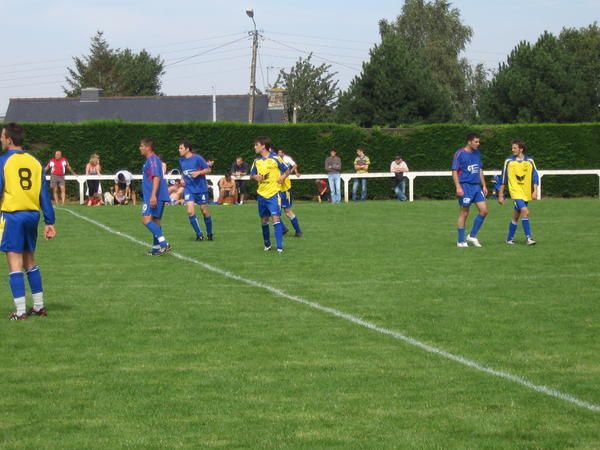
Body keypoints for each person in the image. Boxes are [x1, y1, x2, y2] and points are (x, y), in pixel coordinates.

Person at [0, 123, 56, 320]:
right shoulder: (35, 162)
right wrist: (50, 221)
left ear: (9, 139)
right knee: (30, 260)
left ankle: (21, 311)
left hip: (12, 216)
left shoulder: (3, 161)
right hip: (32, 216)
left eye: (2, 136)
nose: (0, 139)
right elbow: (44, 194)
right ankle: (39, 307)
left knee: (14, 263)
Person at [250, 137, 290, 253]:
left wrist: (282, 177)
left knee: (275, 218)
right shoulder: (256, 161)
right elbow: (251, 175)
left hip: (274, 194)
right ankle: (267, 244)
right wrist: (255, 177)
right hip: (261, 194)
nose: (255, 147)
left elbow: (287, 170)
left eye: (256, 145)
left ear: (263, 146)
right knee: (264, 220)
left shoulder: (275, 158)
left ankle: (279, 247)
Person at [498, 140, 539, 246]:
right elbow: (503, 178)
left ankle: (509, 239)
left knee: (516, 216)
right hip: (515, 192)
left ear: (521, 149)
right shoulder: (508, 161)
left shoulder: (530, 161)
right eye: (512, 148)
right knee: (525, 211)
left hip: (526, 193)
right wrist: (500, 194)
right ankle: (529, 238)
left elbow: (535, 175)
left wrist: (535, 190)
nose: (512, 150)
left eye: (515, 148)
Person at [452, 133, 488, 248]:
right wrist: (458, 187)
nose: (478, 144)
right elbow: (454, 171)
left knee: (484, 211)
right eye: (476, 141)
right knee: (464, 213)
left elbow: (480, 169)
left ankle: (472, 236)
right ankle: (460, 240)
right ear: (469, 142)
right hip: (465, 186)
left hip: (476, 187)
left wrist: (484, 185)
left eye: (478, 141)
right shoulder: (460, 153)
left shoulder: (477, 153)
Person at [140, 138, 171, 256]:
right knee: (155, 221)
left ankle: (164, 244)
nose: (140, 148)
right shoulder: (151, 160)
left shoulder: (152, 160)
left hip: (154, 196)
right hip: (159, 195)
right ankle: (156, 248)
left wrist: (153, 195)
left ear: (148, 147)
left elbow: (156, 177)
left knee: (146, 220)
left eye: (142, 146)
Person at [179, 140, 213, 241]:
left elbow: (208, 170)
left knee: (204, 211)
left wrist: (199, 172)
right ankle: (199, 234)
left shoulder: (197, 158)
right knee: (190, 211)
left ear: (187, 149)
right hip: (189, 189)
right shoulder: (181, 160)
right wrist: (182, 178)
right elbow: (183, 172)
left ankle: (210, 233)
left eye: (181, 148)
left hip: (201, 189)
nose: (179, 150)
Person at [276, 148, 303, 237]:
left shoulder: (285, 160)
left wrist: (293, 172)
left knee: (287, 211)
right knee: (272, 211)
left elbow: (294, 165)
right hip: (277, 190)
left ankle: (298, 231)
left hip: (284, 190)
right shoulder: (275, 161)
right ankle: (283, 229)